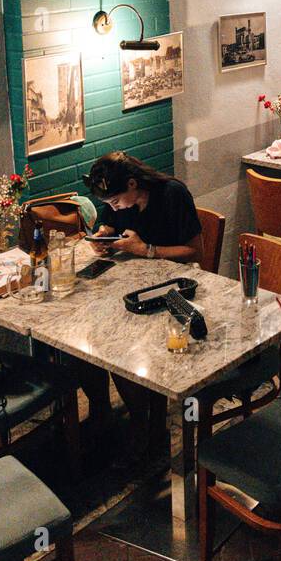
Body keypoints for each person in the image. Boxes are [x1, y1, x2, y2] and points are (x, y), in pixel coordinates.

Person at [83, 153, 204, 462]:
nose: (113, 207)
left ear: (134, 184)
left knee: (120, 349)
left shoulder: (172, 194)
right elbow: (110, 224)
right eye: (107, 203)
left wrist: (145, 250)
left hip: (174, 291)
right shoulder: (119, 202)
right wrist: (102, 237)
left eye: (116, 200)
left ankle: (147, 424)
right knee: (88, 338)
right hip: (131, 286)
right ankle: (102, 410)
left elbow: (195, 251)